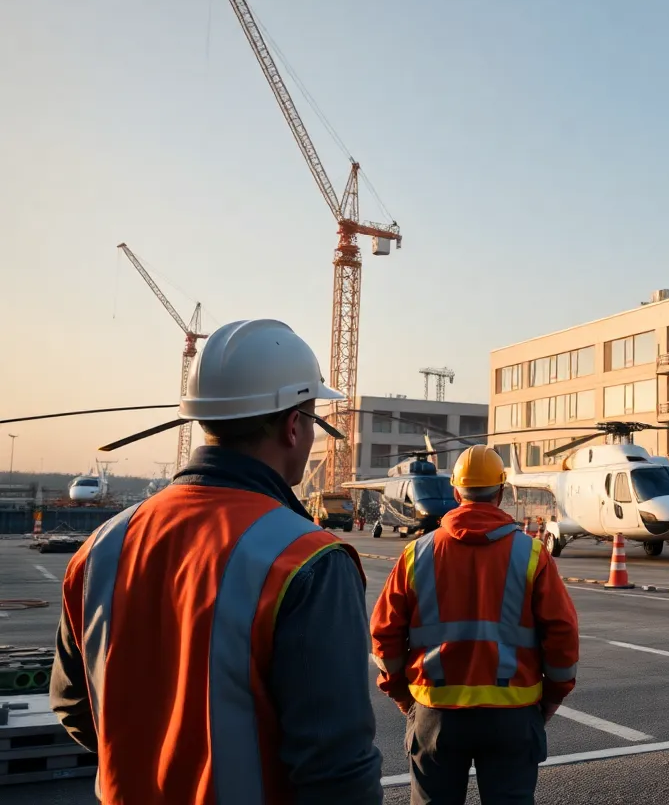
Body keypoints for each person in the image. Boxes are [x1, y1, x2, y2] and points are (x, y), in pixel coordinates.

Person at [50, 319, 383, 804]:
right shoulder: (306, 559)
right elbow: (336, 766)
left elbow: (74, 705)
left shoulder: (99, 548)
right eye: (312, 420)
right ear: (293, 427)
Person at [370, 444, 579, 805]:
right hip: (513, 713)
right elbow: (562, 635)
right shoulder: (531, 553)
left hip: (434, 712)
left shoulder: (416, 553)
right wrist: (552, 697)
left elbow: (384, 633)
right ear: (500, 493)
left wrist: (404, 696)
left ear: (455, 491)